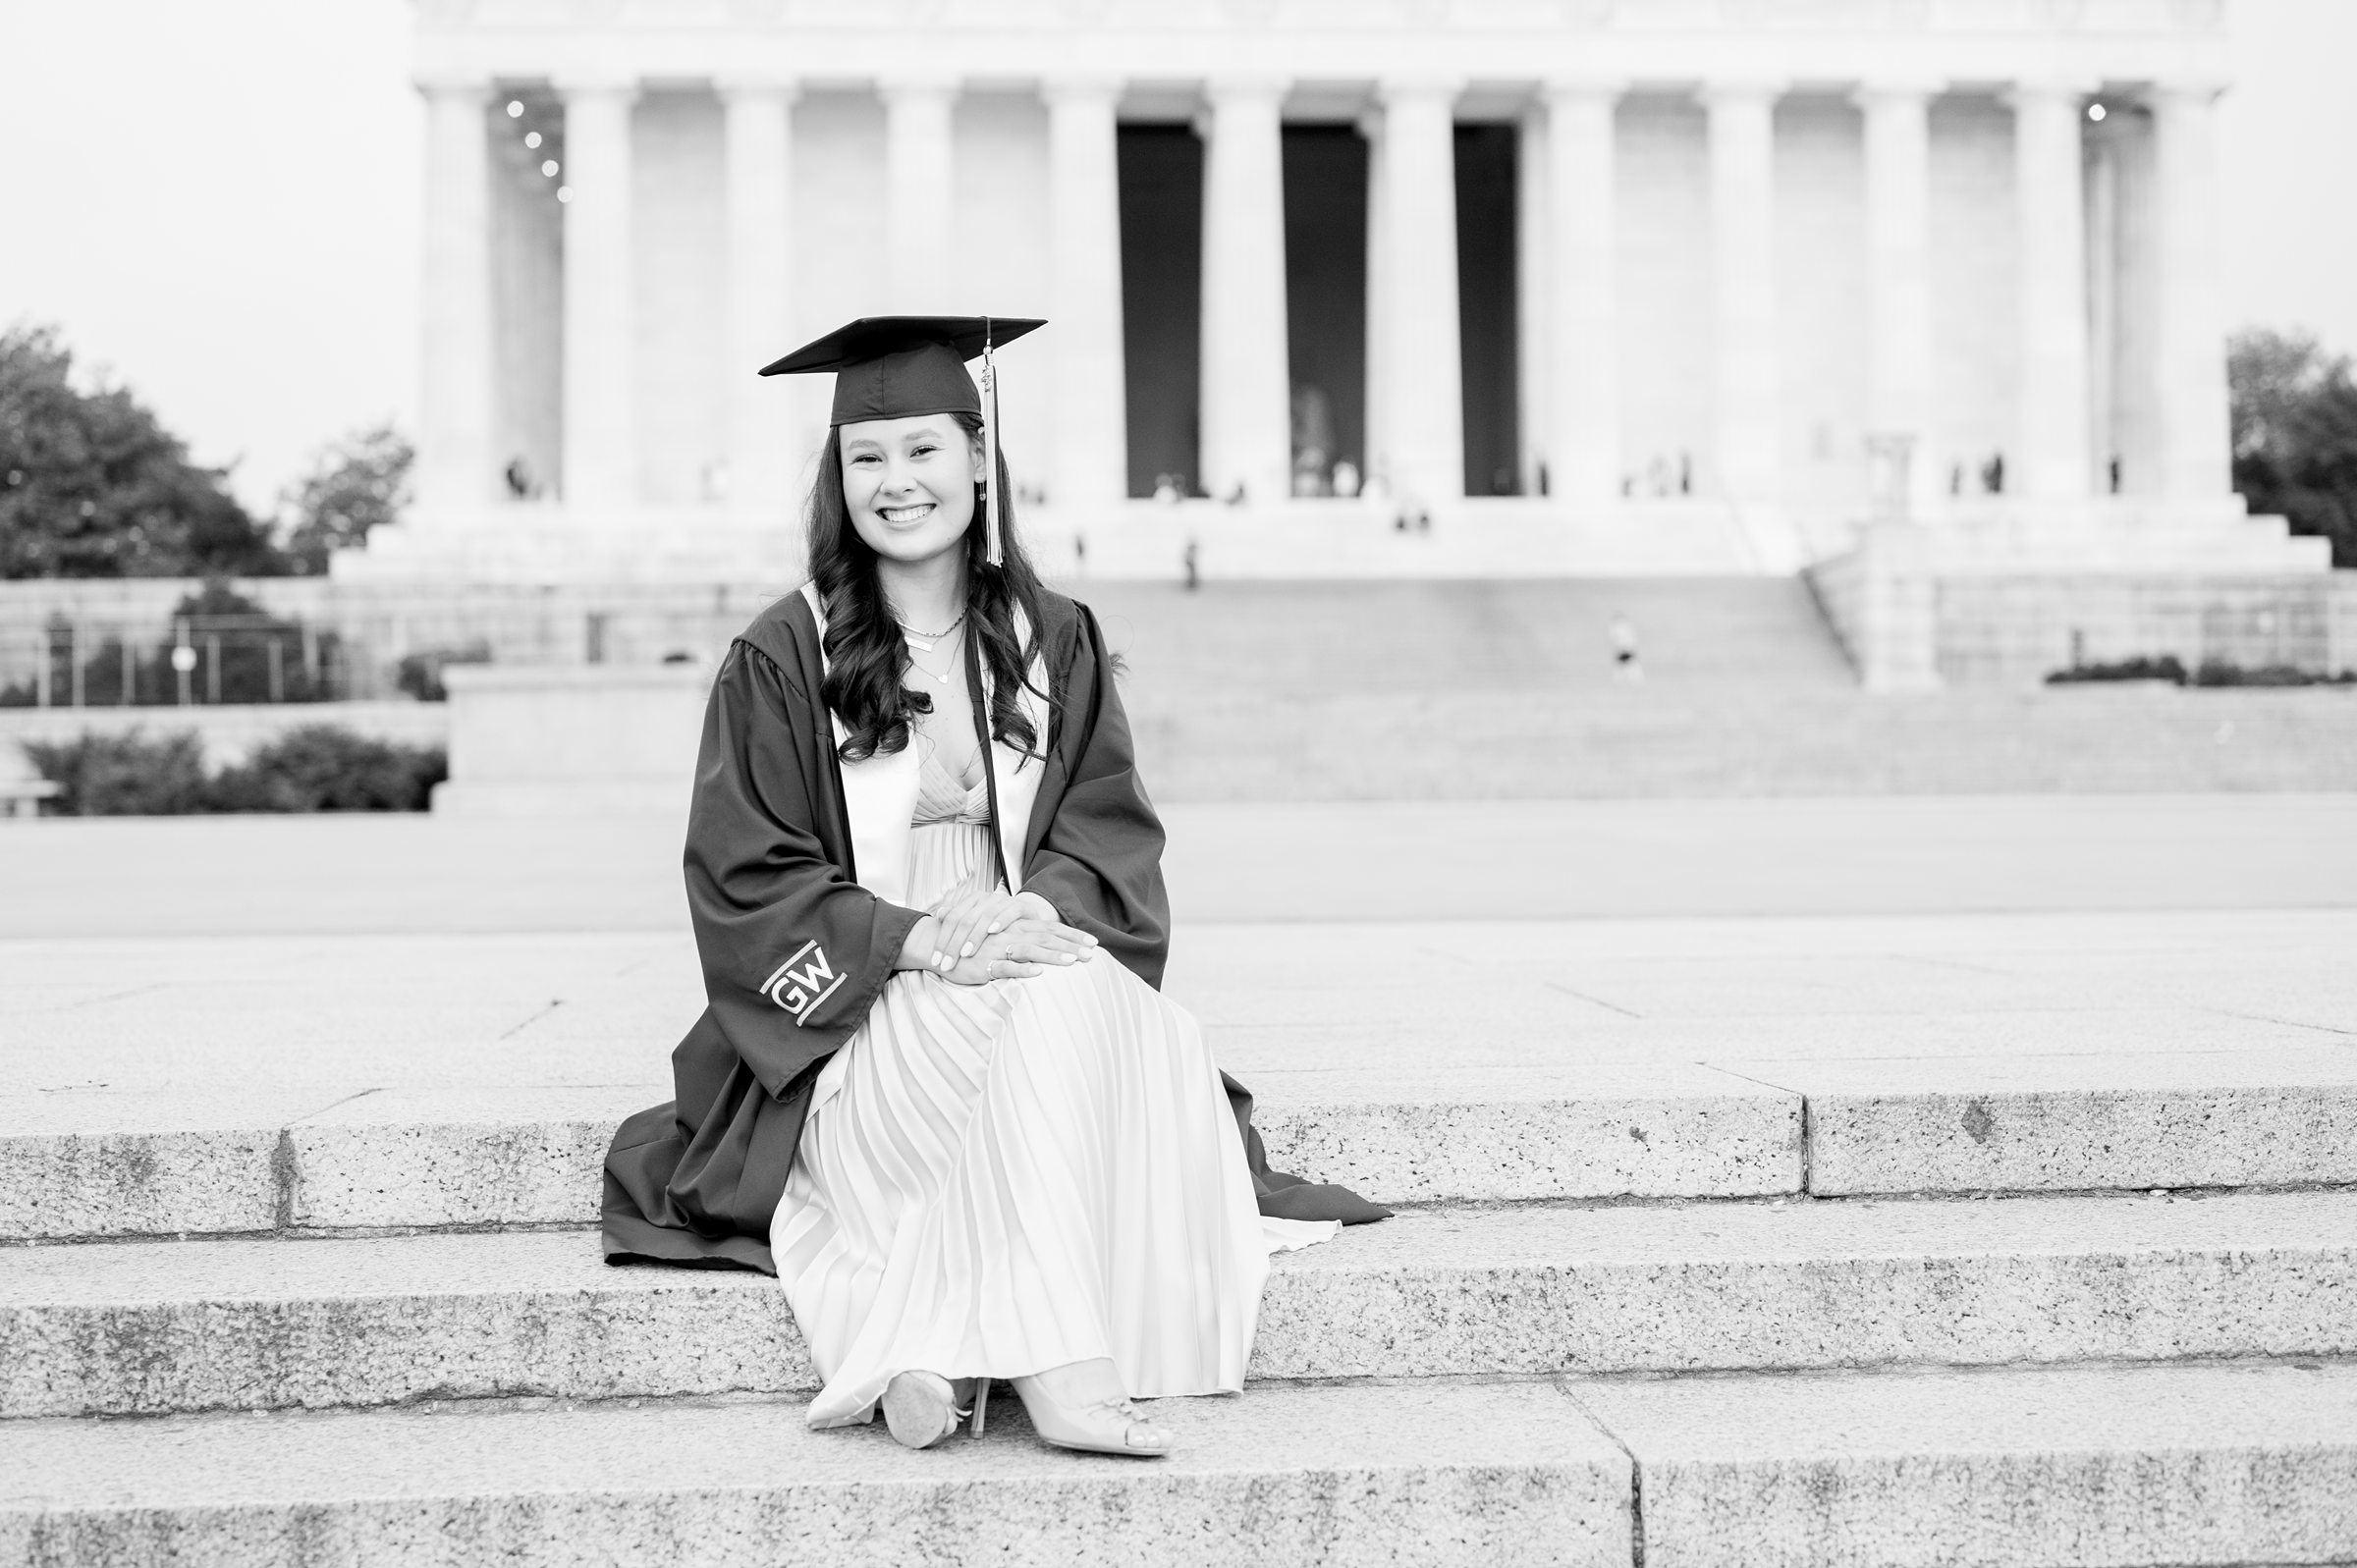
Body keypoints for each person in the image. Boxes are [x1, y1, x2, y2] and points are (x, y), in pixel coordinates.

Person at [601, 315, 1385, 1463]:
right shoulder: (784, 656)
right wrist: (911, 943)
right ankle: (1065, 1370)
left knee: (1079, 1008)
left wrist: (1037, 907)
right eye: (867, 458)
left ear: (979, 458)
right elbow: (742, 871)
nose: (896, 482)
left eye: (923, 450)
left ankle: (932, 1357)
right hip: (861, 997)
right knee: (1013, 1030)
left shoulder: (1051, 636)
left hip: (1024, 942)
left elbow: (1107, 823)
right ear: (838, 480)